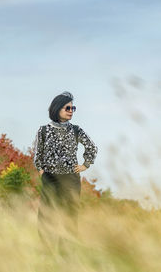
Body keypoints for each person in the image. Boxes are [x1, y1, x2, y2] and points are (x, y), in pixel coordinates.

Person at [33, 91, 98, 253]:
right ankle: (46, 251)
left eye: (73, 108)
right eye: (67, 108)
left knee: (69, 216)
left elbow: (92, 147)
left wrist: (85, 165)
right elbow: (37, 154)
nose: (71, 111)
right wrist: (42, 171)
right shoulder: (43, 131)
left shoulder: (76, 130)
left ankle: (66, 255)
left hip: (71, 179)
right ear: (57, 109)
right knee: (46, 215)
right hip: (50, 179)